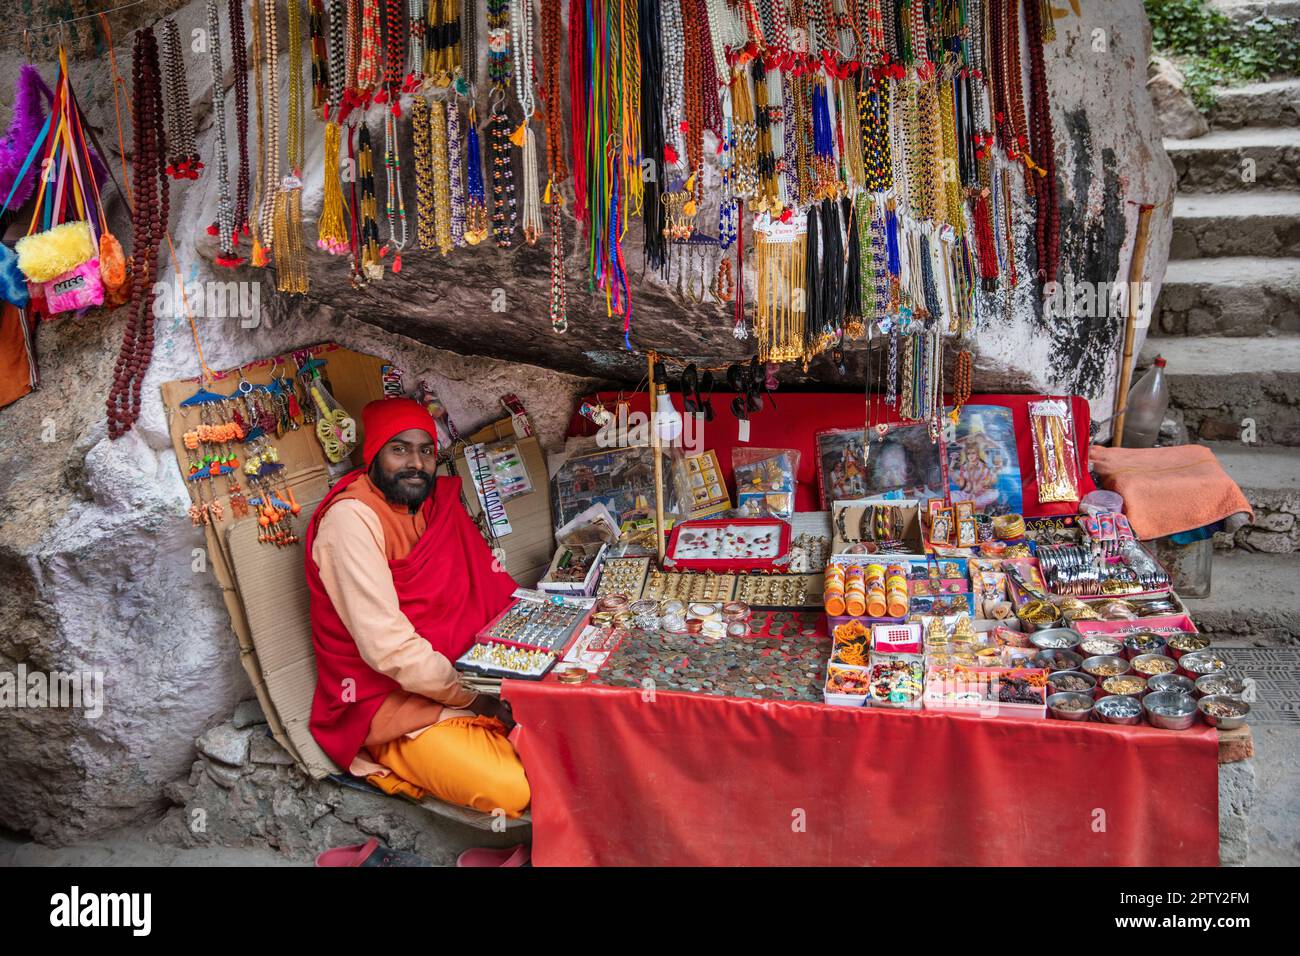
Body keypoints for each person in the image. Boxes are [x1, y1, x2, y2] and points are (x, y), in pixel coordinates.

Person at [305, 397, 529, 818]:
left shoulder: (433, 507)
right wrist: (474, 698)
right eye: (399, 449)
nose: (416, 463)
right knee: (511, 789)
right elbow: (386, 648)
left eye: (425, 450)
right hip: (389, 701)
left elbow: (487, 592)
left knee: (571, 734)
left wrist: (503, 678)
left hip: (465, 679)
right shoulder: (350, 520)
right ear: (373, 455)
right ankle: (394, 757)